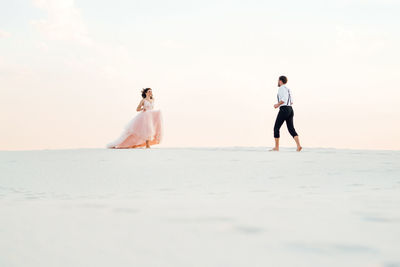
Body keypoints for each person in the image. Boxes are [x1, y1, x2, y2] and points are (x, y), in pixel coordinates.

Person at [272, 76, 302, 151]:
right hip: (290, 109)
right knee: (291, 128)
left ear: (281, 81)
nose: (278, 82)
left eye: (278, 80)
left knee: (276, 128)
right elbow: (291, 101)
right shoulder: (288, 89)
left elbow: (284, 99)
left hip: (284, 109)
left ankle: (276, 147)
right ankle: (298, 145)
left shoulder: (281, 88)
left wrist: (277, 104)